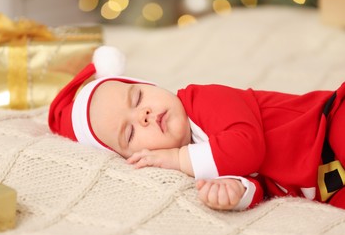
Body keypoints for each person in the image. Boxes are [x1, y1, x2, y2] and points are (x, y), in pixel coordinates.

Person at [49, 46, 345, 211]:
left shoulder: (203, 99)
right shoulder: (193, 163)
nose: (145, 115)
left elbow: (247, 149)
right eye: (130, 133)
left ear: (149, 84)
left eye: (138, 97)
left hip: (327, 125)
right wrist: (236, 191)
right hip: (327, 185)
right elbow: (261, 184)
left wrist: (178, 159)